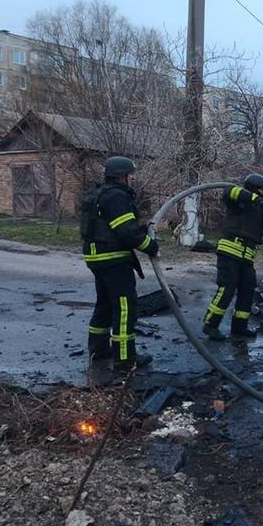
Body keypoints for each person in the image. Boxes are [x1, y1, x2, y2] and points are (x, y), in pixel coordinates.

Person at [81, 156, 159, 375]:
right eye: (131, 174)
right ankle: (125, 359)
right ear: (123, 176)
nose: (133, 178)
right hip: (113, 259)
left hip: (98, 258)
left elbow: (115, 226)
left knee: (104, 304)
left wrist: (142, 229)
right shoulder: (116, 196)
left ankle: (99, 351)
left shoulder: (101, 193)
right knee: (125, 307)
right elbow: (125, 232)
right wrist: (150, 246)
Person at [202, 173, 263, 341]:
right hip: (230, 252)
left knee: (247, 291)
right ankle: (210, 325)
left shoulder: (259, 209)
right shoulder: (238, 201)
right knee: (227, 289)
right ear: (254, 189)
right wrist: (255, 199)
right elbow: (229, 191)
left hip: (247, 258)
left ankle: (239, 327)